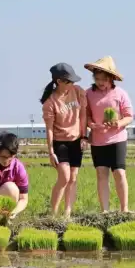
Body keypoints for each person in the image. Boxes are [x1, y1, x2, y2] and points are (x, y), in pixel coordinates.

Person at [84, 56, 134, 213]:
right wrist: (91, 124)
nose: (100, 82)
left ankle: (124, 208)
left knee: (119, 172)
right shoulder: (88, 94)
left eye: (104, 79)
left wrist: (118, 123)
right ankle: (104, 210)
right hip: (98, 140)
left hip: (117, 139)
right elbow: (86, 115)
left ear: (112, 78)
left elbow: (129, 116)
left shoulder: (120, 93)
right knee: (101, 173)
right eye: (97, 79)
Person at [41, 63, 88, 218]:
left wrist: (84, 136)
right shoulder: (50, 102)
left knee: (73, 178)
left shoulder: (78, 92)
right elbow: (49, 128)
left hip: (76, 140)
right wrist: (50, 152)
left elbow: (83, 115)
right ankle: (53, 214)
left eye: (73, 81)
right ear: (59, 81)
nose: (72, 84)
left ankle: (67, 213)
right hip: (60, 142)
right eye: (68, 81)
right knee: (64, 178)